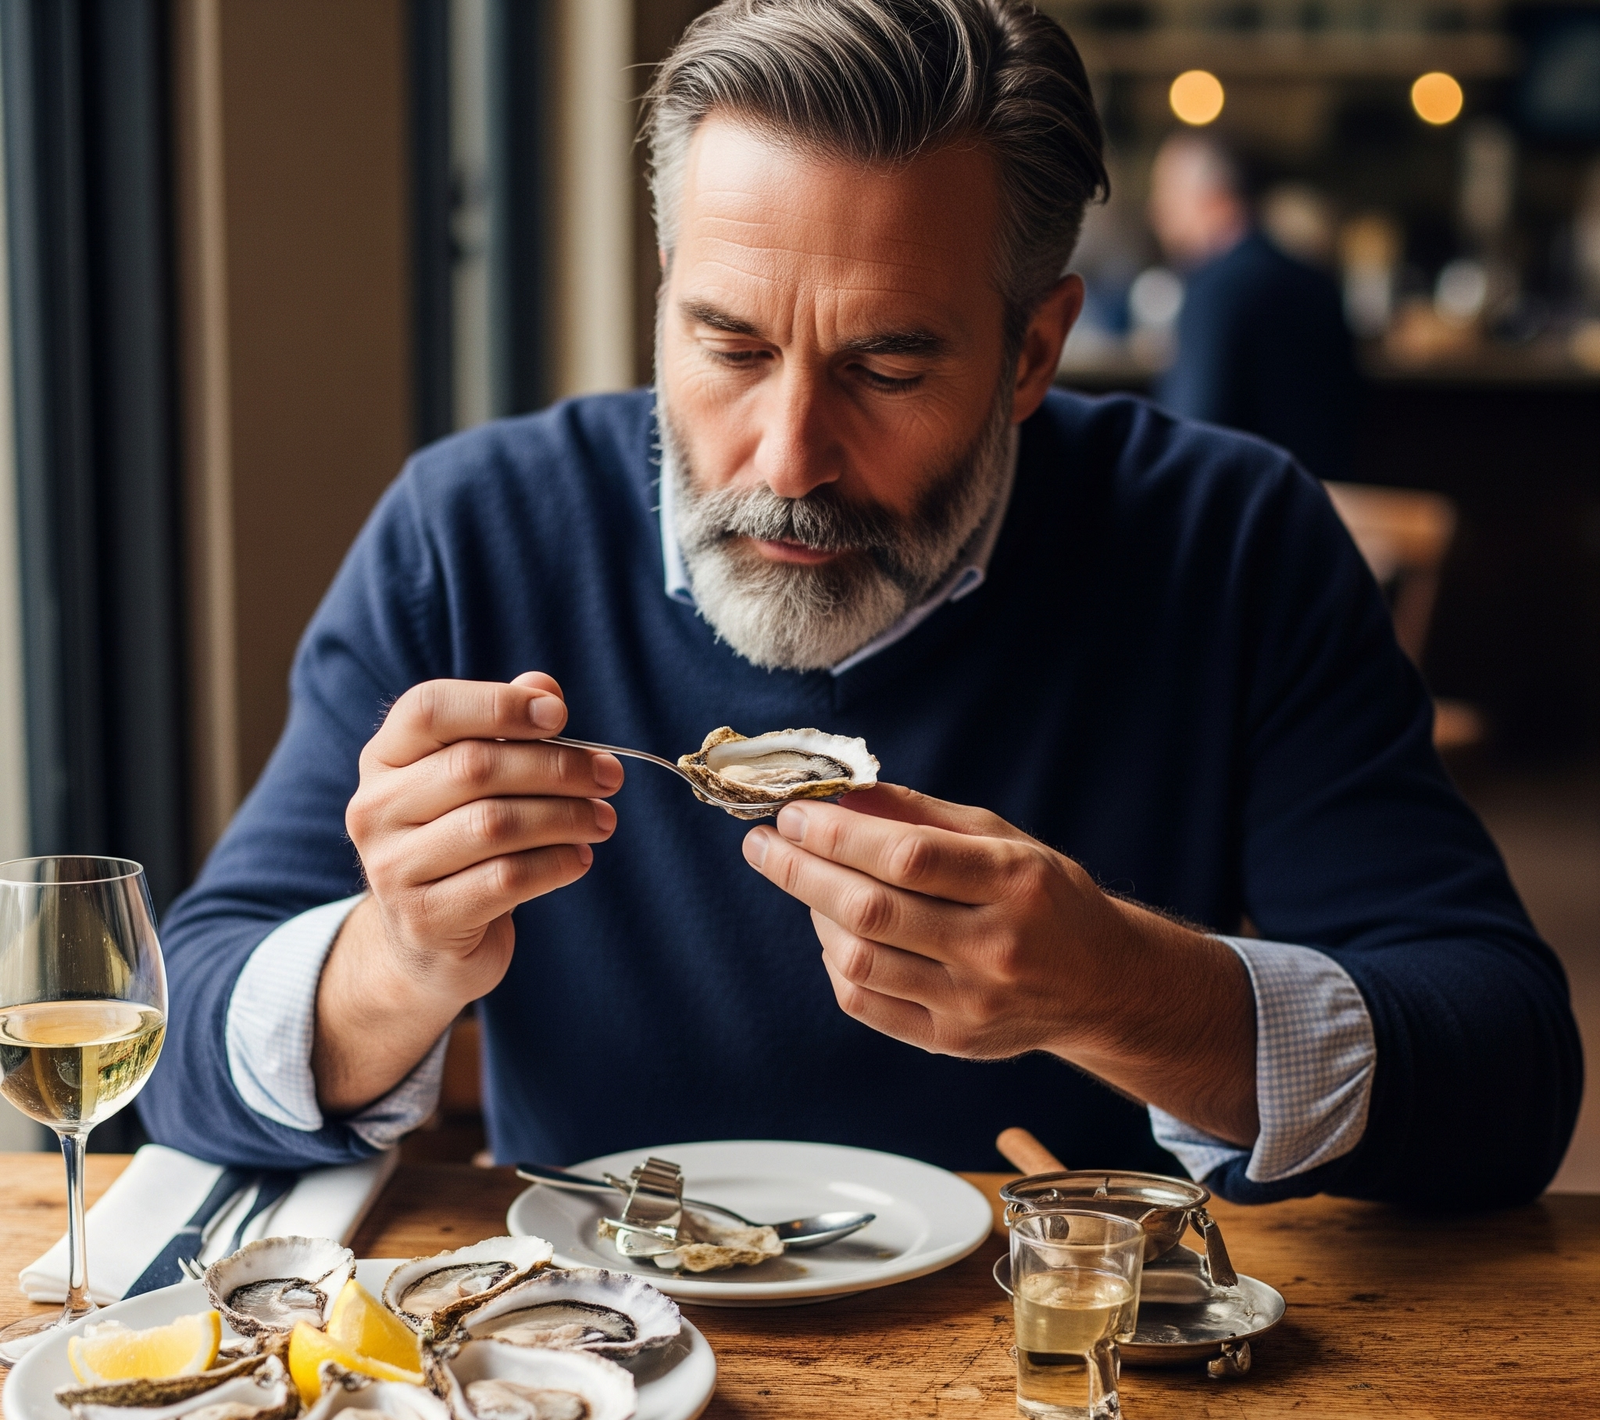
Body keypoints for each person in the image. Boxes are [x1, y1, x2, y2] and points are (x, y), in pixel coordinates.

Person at [142, 0, 1578, 1208]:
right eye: (729, 344)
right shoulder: (470, 533)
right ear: (664, 301)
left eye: (887, 368)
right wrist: (396, 961)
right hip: (591, 1375)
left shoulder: (1229, 536)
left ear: (1034, 352)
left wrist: (1125, 990)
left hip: (1081, 1383)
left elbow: (1508, 1079)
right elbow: (180, 1041)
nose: (786, 460)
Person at [1149, 131, 1362, 479]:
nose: (1156, 211)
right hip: (1321, 504)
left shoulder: (1213, 290)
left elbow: (1191, 429)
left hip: (1243, 511)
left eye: (1166, 193)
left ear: (1212, 197)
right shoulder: (1317, 281)